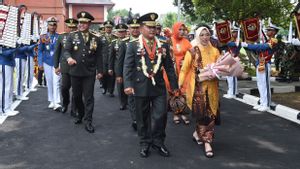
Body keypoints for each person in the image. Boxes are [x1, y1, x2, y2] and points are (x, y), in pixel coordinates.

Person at [123, 12, 178, 158]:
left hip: (159, 87)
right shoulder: (133, 45)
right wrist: (127, 84)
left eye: (154, 27)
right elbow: (128, 66)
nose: (152, 30)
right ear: (141, 28)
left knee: (161, 115)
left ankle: (158, 142)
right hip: (140, 86)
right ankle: (145, 143)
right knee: (142, 117)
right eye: (149, 27)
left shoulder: (163, 44)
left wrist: (174, 86)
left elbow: (169, 68)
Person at [179, 26, 220, 158]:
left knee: (211, 115)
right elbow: (184, 70)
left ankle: (198, 134)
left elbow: (220, 68)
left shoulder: (215, 51)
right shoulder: (192, 51)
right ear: (197, 36)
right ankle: (207, 142)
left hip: (212, 89)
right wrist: (179, 85)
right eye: (201, 35)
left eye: (207, 34)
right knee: (203, 116)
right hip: (198, 90)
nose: (204, 37)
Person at [64, 11, 103, 133]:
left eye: (84, 23)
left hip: (89, 73)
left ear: (89, 24)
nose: (81, 25)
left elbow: (99, 57)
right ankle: (80, 114)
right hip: (75, 72)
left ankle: (88, 121)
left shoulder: (96, 38)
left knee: (89, 97)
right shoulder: (72, 36)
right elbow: (66, 51)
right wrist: (69, 58)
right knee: (76, 96)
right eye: (80, 22)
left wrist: (100, 71)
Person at [242, 23, 279, 112]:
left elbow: (262, 47)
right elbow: (258, 49)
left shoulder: (274, 40)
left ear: (274, 32)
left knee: (265, 84)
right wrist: (248, 46)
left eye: (269, 30)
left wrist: (248, 45)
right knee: (260, 84)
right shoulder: (267, 41)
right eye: (267, 30)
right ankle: (262, 102)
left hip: (266, 63)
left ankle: (266, 104)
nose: (267, 31)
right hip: (261, 62)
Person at [118, 17, 140, 130]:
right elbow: (120, 61)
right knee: (132, 99)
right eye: (133, 28)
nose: (135, 30)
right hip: (130, 76)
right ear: (129, 29)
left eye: (137, 28)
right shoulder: (124, 43)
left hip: (142, 75)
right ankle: (135, 119)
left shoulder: (144, 41)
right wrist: (119, 75)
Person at [54, 18, 78, 116]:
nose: (71, 29)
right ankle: (65, 103)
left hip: (76, 66)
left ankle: (74, 109)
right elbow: (57, 52)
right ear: (66, 27)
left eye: (73, 27)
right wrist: (56, 66)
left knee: (76, 89)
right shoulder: (61, 37)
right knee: (64, 87)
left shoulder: (79, 37)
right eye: (69, 27)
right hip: (65, 66)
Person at [170, 22, 193, 124]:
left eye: (183, 30)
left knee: (183, 91)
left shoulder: (186, 41)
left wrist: (187, 60)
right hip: (173, 69)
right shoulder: (169, 41)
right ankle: (176, 113)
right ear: (175, 29)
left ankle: (184, 113)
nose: (182, 32)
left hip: (185, 70)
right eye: (180, 29)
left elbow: (194, 55)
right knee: (174, 91)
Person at [38, 17, 61, 111]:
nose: (52, 26)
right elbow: (40, 50)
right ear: (47, 26)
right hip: (47, 62)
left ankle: (57, 102)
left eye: (54, 24)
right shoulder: (43, 37)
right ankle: (51, 100)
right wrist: (40, 63)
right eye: (51, 24)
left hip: (57, 62)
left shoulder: (59, 37)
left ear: (56, 26)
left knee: (57, 82)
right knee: (50, 82)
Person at [108, 23, 128, 110]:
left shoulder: (129, 42)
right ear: (117, 32)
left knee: (128, 84)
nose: (121, 33)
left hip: (128, 66)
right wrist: (110, 68)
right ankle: (122, 102)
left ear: (125, 32)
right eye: (119, 32)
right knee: (120, 86)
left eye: (122, 32)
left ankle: (129, 101)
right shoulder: (114, 43)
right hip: (118, 66)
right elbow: (111, 56)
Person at [223, 26, 241, 99]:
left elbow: (232, 45)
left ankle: (233, 93)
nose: (232, 33)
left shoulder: (238, 40)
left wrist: (226, 42)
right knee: (229, 77)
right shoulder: (231, 40)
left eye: (234, 32)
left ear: (237, 33)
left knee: (232, 77)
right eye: (232, 32)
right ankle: (232, 91)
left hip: (234, 59)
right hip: (229, 58)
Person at [101, 20, 116, 96]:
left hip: (113, 60)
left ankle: (111, 90)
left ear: (112, 28)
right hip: (103, 59)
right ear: (104, 28)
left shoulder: (115, 37)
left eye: (110, 27)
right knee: (104, 74)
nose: (108, 29)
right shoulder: (100, 38)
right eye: (107, 27)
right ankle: (104, 87)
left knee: (112, 76)